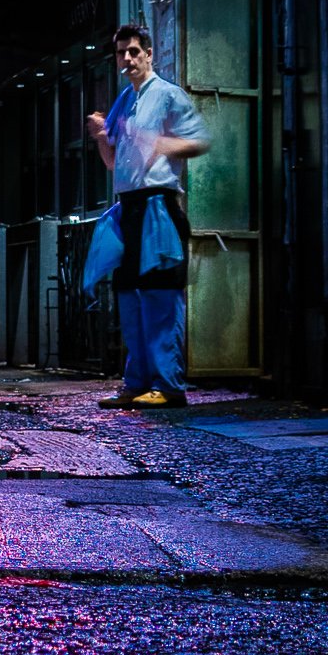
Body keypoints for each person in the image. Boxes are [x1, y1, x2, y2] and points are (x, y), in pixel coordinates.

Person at [86, 22, 210, 409]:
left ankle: (168, 385)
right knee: (131, 297)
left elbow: (199, 140)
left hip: (158, 204)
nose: (127, 59)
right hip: (129, 207)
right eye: (122, 52)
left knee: (159, 296)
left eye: (134, 52)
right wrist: (99, 139)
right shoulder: (125, 100)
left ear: (149, 54)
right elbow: (113, 165)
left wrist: (161, 142)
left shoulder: (169, 95)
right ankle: (136, 381)